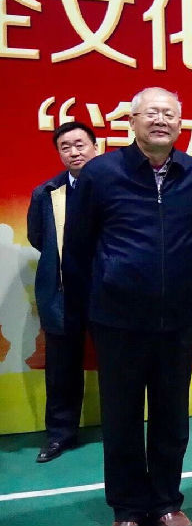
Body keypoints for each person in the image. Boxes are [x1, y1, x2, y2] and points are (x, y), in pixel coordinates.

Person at [63, 87, 192, 526]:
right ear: (132, 121)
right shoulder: (101, 173)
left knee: (172, 418)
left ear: (180, 124)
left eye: (169, 114)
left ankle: (167, 502)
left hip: (177, 321)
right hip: (117, 321)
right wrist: (91, 305)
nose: (161, 120)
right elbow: (77, 247)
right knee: (122, 417)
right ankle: (128, 507)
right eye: (151, 113)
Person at [27, 121, 98, 463]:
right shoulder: (46, 192)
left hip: (109, 293)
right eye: (65, 147)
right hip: (62, 294)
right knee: (61, 369)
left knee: (120, 365)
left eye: (80, 144)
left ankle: (121, 431)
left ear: (96, 147)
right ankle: (60, 435)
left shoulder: (117, 188)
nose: (74, 152)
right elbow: (37, 238)